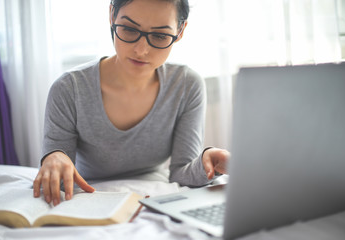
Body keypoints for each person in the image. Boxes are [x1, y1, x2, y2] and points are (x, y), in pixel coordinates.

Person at [33, 0, 230, 206]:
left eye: (160, 35)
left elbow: (181, 174)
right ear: (112, 16)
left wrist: (209, 162)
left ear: (180, 31)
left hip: (154, 196)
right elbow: (60, 173)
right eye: (128, 29)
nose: (141, 50)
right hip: (87, 198)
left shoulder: (186, 86)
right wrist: (54, 157)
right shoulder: (69, 88)